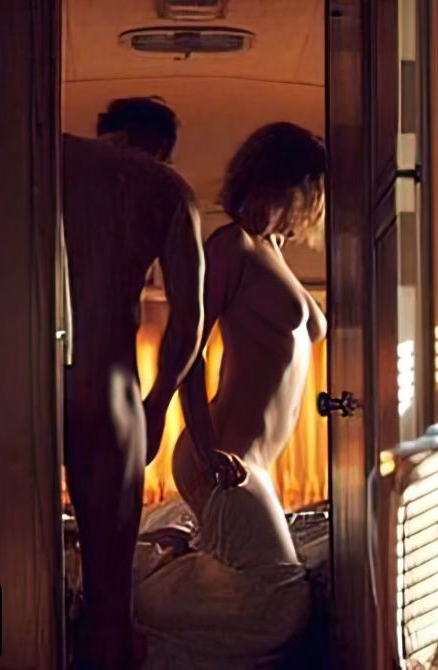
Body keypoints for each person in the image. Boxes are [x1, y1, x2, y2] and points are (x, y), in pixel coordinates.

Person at [134, 122, 327, 663]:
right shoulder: (231, 245)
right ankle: (136, 602)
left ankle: (175, 561)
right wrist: (206, 443)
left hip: (251, 463)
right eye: (307, 188)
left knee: (268, 587)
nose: (311, 203)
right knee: (279, 598)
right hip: (223, 457)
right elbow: (187, 351)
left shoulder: (273, 250)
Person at [61, 97, 237, 668]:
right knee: (109, 594)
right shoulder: (165, 188)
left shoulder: (45, 158)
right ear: (161, 149)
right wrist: (157, 404)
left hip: (23, 379)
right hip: (106, 387)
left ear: (106, 132)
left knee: (10, 564)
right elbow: (189, 321)